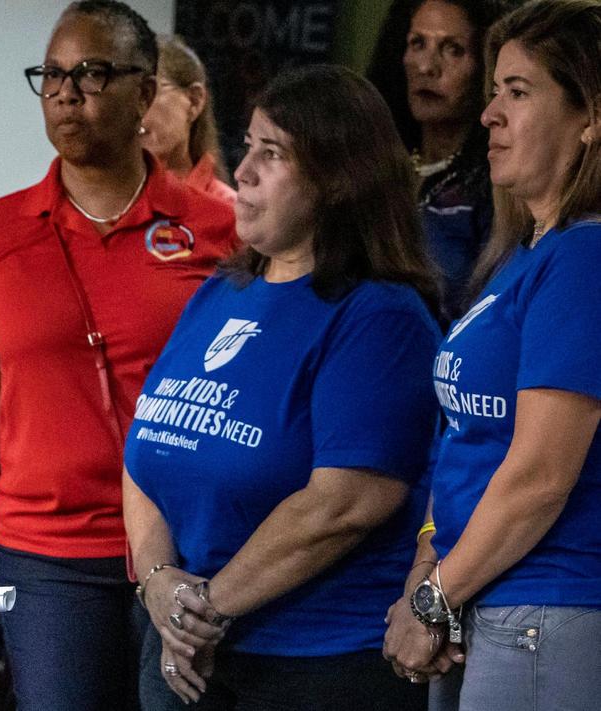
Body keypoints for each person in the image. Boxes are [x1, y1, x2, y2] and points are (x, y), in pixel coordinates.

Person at [123, 64, 442, 710]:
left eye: (272, 154)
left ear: (337, 179)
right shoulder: (221, 292)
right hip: (191, 649)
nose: (241, 172)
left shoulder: (380, 316)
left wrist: (203, 607)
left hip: (316, 666)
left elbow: (344, 502)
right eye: (248, 146)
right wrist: (159, 583)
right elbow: (145, 449)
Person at [0, 1, 238, 708]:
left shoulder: (221, 228)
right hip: (49, 552)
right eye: (52, 75)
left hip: (192, 543)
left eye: (92, 73)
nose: (67, 93)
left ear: (145, 92)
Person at [383, 2, 601, 708]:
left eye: (518, 91)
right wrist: (431, 573)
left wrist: (429, 601)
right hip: (481, 594)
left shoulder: (585, 257)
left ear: (591, 117)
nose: (489, 116)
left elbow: (540, 473)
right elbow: (467, 440)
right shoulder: (525, 254)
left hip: (547, 604)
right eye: (494, 92)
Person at [371, 0, 515, 323]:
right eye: (418, 44)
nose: (427, 67)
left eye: (452, 49)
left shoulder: (496, 188)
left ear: (485, 67)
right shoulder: (374, 173)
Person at [141, 35, 236, 204]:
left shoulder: (228, 211)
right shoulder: (102, 202)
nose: (134, 108)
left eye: (149, 91)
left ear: (194, 101)